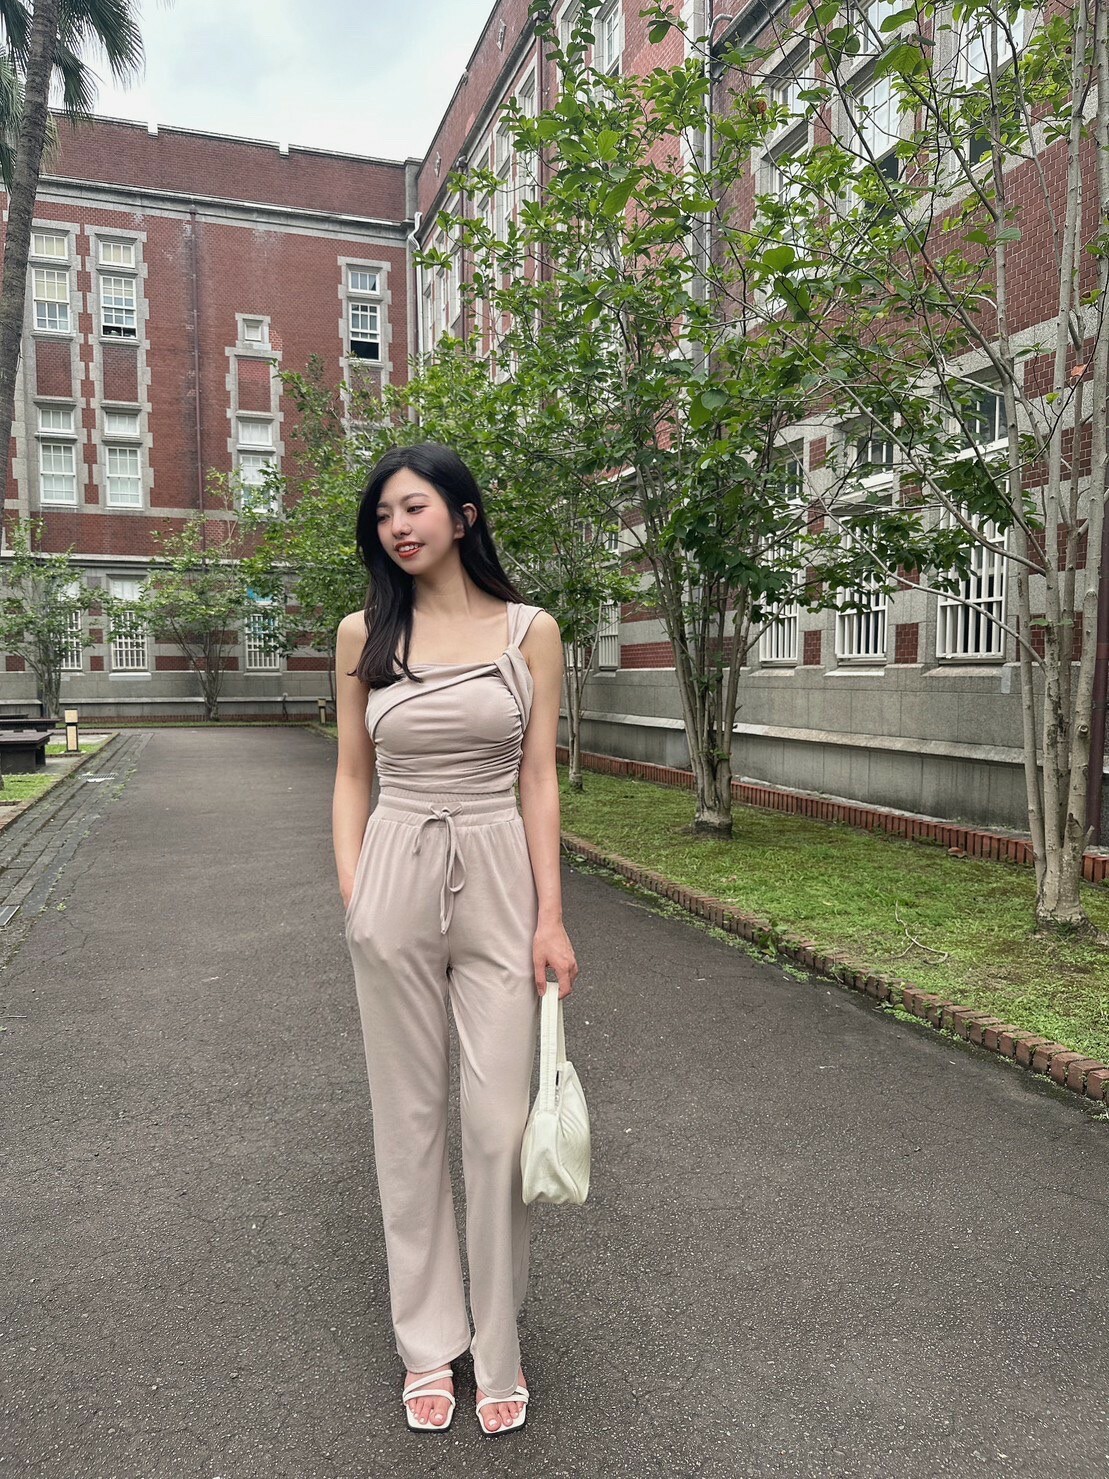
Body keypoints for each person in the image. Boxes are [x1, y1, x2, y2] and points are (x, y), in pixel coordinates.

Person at [332, 442, 579, 1436]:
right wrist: (357, 895)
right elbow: (351, 774)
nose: (397, 526)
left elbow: (538, 778)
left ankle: (498, 1344)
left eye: (414, 506)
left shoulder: (530, 632)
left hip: (497, 874)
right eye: (383, 514)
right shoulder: (362, 633)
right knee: (408, 1121)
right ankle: (428, 1344)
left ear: (463, 515)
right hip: (394, 868)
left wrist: (550, 916)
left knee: (496, 1125)